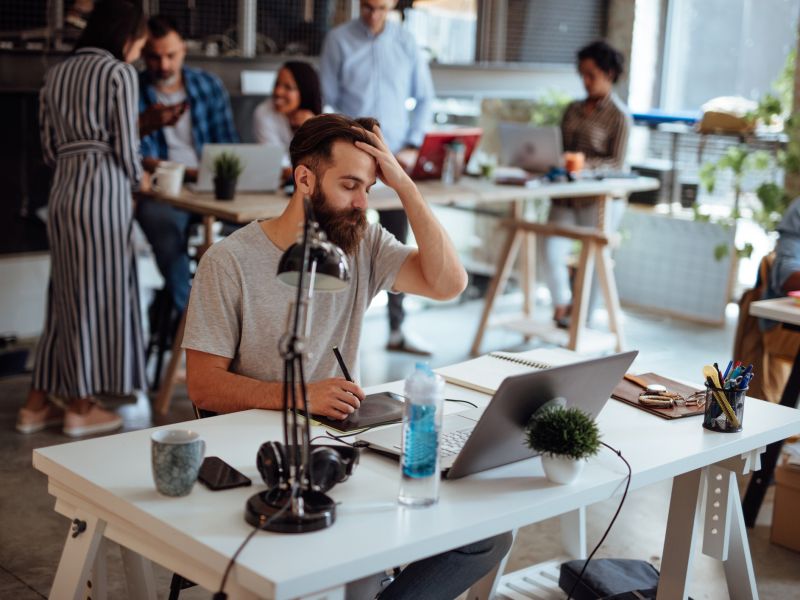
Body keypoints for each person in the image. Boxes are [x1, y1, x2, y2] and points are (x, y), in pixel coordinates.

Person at [182, 114, 511, 598]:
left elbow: (449, 284)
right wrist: (300, 396)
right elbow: (203, 385)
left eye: (370, 187)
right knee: (351, 562)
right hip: (267, 458)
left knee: (486, 536)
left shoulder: (362, 244)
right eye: (350, 185)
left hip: (344, 449)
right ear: (304, 179)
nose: (362, 202)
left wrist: (405, 186)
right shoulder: (228, 262)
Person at [16, 0, 148, 436]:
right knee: (97, 294)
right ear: (126, 37)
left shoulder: (56, 74)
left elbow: (50, 147)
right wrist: (138, 181)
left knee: (65, 298)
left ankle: (36, 406)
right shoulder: (118, 73)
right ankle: (80, 405)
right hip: (103, 191)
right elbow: (126, 146)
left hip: (63, 191)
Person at [320, 0, 435, 355]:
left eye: (381, 8)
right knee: (338, 237)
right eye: (368, 7)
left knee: (396, 244)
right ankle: (327, 334)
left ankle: (397, 330)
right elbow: (326, 100)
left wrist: (413, 146)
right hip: (349, 164)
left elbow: (425, 99)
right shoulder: (338, 40)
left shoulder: (406, 42)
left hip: (393, 160)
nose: (374, 15)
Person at [136, 15, 239, 314]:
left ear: (183, 48)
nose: (164, 65)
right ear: (143, 54)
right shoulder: (133, 90)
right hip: (164, 190)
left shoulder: (208, 86)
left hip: (210, 184)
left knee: (256, 229)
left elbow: (228, 145)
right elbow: (138, 155)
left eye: (171, 55)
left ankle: (238, 314)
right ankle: (191, 315)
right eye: (154, 57)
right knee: (162, 225)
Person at [543, 40, 632, 328]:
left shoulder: (619, 117)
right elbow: (559, 147)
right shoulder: (572, 109)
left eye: (591, 74)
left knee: (593, 260)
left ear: (609, 73)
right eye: (582, 73)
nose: (585, 81)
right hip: (566, 195)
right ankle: (561, 304)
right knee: (550, 248)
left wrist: (584, 164)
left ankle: (582, 319)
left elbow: (617, 163)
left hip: (599, 199)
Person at [252, 61, 322, 149]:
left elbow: (325, 158)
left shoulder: (326, 114)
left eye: (288, 87)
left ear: (304, 91)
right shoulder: (264, 112)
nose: (278, 92)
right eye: (277, 84)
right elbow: (275, 158)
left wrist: (312, 129)